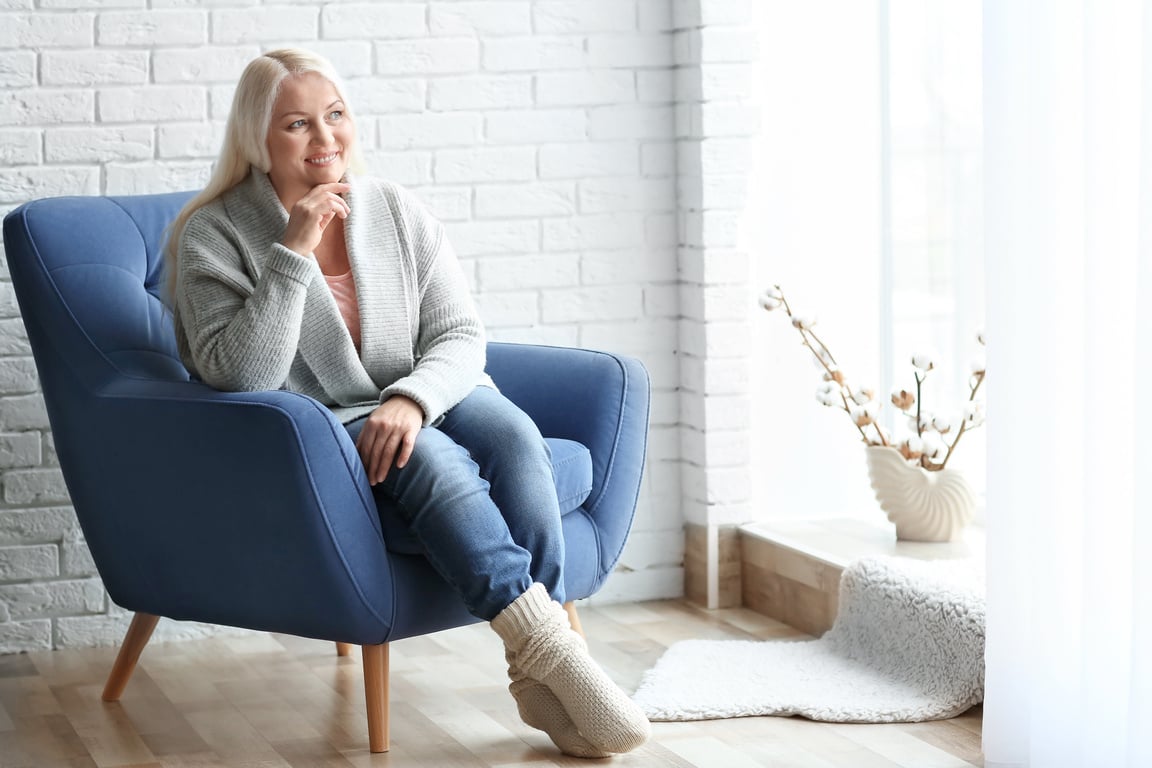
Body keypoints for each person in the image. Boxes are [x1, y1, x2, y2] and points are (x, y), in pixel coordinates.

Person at [165, 48, 650, 758]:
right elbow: (244, 375)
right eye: (298, 124)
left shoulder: (393, 207)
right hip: (326, 420)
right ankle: (557, 658)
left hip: (427, 392)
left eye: (335, 116)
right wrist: (294, 251)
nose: (326, 139)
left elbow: (459, 333)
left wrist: (413, 398)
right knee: (434, 466)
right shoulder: (212, 233)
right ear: (256, 140)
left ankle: (546, 669)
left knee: (516, 438)